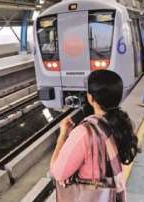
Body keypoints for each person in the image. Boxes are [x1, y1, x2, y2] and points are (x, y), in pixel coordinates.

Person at [50, 70, 138, 201]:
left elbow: (58, 172)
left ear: (91, 98)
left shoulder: (85, 132)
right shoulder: (121, 123)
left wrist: (62, 136)